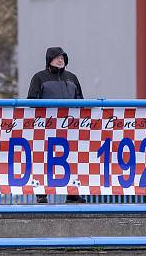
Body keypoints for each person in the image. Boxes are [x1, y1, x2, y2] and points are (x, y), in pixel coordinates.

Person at [27, 47, 86, 204]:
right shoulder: (39, 78)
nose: (61, 60)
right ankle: (41, 192)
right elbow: (31, 101)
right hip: (46, 127)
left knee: (72, 158)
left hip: (70, 127)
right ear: (49, 60)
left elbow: (80, 101)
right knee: (44, 158)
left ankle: (72, 193)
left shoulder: (72, 78)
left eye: (62, 57)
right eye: (57, 57)